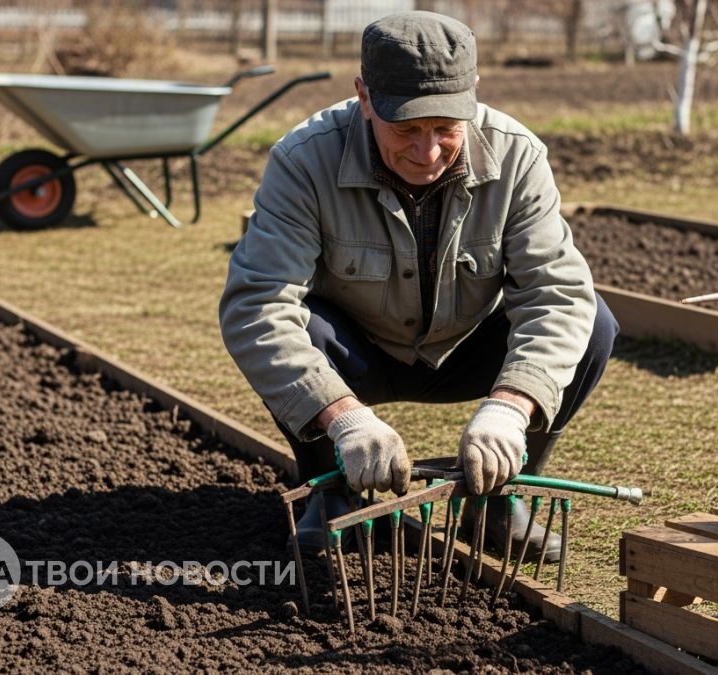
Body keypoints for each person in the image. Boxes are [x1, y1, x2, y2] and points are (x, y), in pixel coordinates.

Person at [219, 11, 618, 561]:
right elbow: (257, 304)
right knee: (296, 327)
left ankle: (498, 495)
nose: (427, 152)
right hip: (355, 355)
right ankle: (329, 492)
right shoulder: (304, 161)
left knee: (593, 320)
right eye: (406, 129)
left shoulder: (517, 156)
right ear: (364, 97)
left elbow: (557, 293)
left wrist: (511, 407)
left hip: (468, 348)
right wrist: (344, 417)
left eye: (447, 129)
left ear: (473, 95)